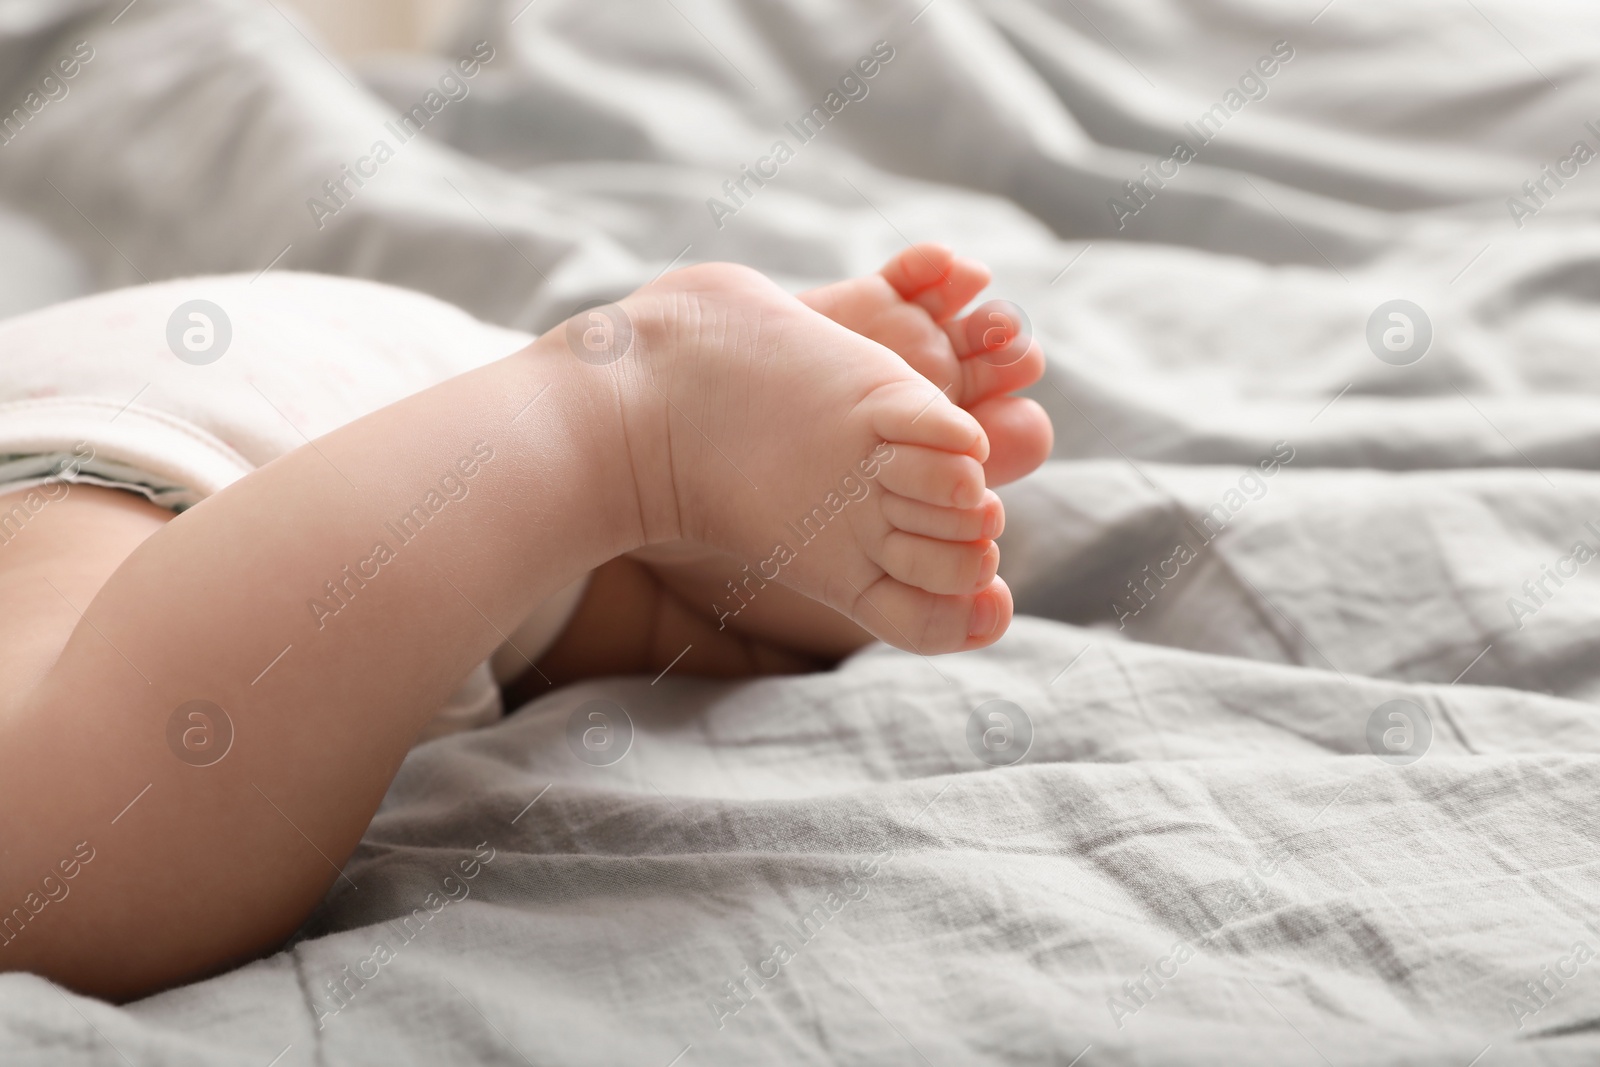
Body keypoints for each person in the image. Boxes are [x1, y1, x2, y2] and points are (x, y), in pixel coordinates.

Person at [0, 243, 1052, 999]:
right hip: (373, 389)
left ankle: (624, 414)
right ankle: (698, 453)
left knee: (56, 858)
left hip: (80, 444)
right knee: (719, 635)